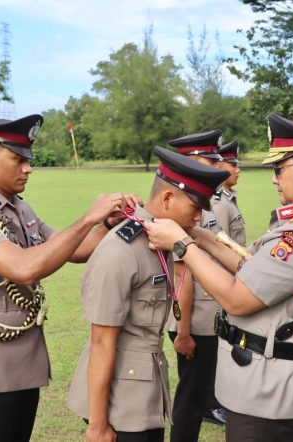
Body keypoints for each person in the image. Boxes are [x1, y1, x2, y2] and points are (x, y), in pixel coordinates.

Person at [144, 113, 293, 441]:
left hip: (269, 391)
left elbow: (237, 297)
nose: (274, 179)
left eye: (279, 169)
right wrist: (198, 234)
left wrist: (182, 245)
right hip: (267, 383)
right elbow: (249, 264)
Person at [0, 114, 137, 442]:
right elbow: (25, 267)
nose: (28, 168)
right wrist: (89, 217)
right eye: (18, 160)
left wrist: (106, 224)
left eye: (28, 160)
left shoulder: (17, 208)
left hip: (20, 372)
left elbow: (72, 249)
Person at [66, 146, 229, 442]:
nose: (198, 217)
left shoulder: (160, 238)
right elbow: (102, 341)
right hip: (120, 402)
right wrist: (98, 426)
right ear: (167, 198)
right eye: (195, 207)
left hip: (145, 390)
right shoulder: (122, 250)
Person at [165, 129, 229, 438]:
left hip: (207, 316)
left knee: (198, 392)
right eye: (210, 160)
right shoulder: (181, 206)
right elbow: (182, 276)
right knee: (190, 398)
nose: (219, 167)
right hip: (192, 321)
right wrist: (184, 332)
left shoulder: (203, 202)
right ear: (190, 161)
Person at [212, 139, 246, 247]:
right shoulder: (219, 203)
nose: (238, 170)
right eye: (233, 165)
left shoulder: (227, 197)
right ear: (217, 166)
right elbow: (222, 249)